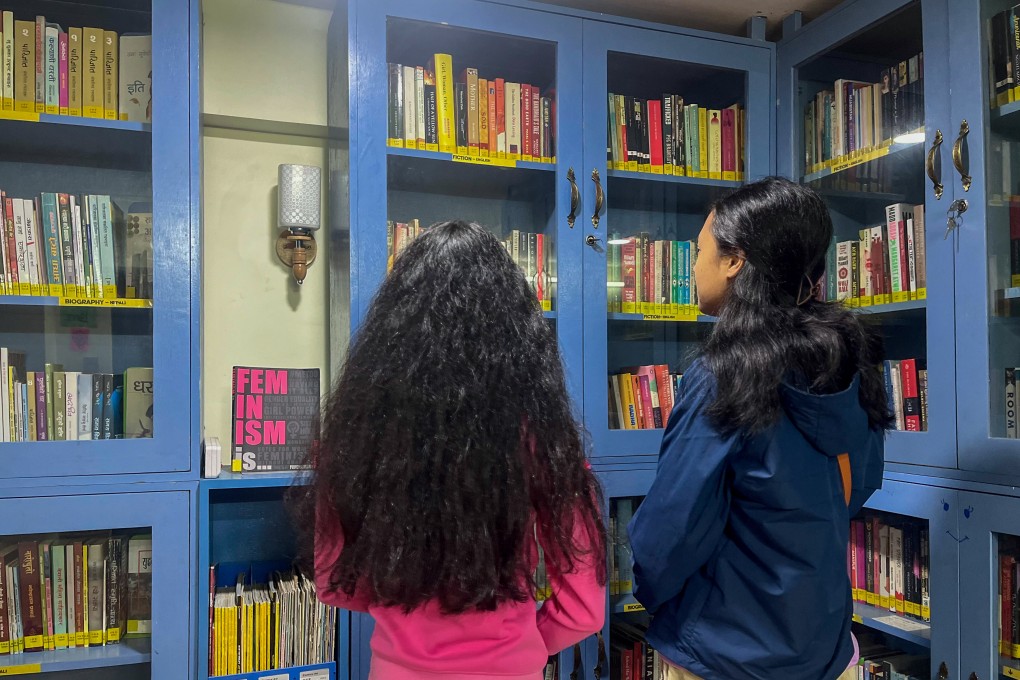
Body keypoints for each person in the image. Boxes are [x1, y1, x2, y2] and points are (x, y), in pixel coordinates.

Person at [297, 220, 606, 680]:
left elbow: (334, 585)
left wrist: (404, 608)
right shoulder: (537, 437)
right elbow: (584, 609)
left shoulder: (361, 433)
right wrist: (521, 647)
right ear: (514, 331)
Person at [628, 177, 889, 680]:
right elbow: (858, 486)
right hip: (825, 648)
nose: (695, 262)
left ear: (734, 261)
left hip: (725, 651)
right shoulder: (850, 365)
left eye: (700, 248)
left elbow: (672, 530)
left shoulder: (721, 375)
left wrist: (654, 593)